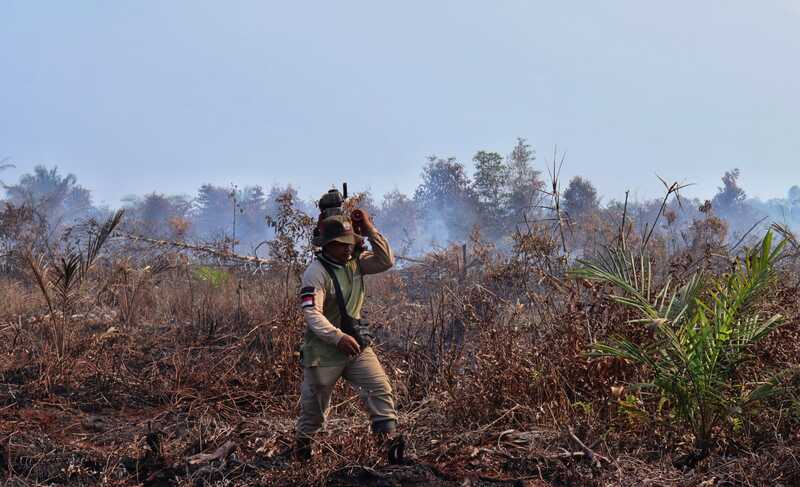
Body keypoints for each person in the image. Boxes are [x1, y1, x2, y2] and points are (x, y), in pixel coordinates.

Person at [294, 209, 403, 463]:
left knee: (380, 389)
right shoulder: (315, 273)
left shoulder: (356, 262)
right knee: (314, 414)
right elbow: (312, 314)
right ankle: (302, 460)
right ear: (328, 246)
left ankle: (389, 455)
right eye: (342, 245)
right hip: (324, 350)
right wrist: (337, 337)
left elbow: (386, 260)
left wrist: (369, 229)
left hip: (356, 346)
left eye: (351, 243)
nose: (347, 249)